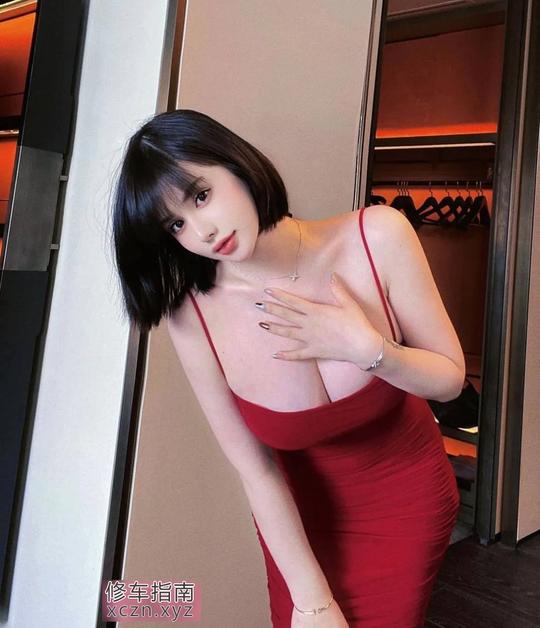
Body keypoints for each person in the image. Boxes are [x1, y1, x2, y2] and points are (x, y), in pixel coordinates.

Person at [111, 109, 463, 627]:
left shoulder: (378, 235)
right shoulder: (193, 316)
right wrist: (311, 600)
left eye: (201, 195)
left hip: (407, 501)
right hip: (296, 528)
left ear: (236, 164)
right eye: (176, 224)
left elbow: (451, 381)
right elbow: (256, 468)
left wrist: (370, 349)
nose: (203, 231)